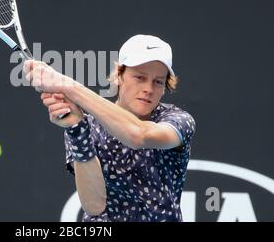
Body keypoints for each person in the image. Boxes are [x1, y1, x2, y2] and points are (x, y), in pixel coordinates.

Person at [23, 34, 196, 222]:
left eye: (158, 81)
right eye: (140, 77)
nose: (148, 88)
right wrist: (76, 129)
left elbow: (138, 134)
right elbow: (94, 205)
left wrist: (66, 85)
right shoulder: (87, 126)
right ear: (119, 75)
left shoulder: (178, 121)